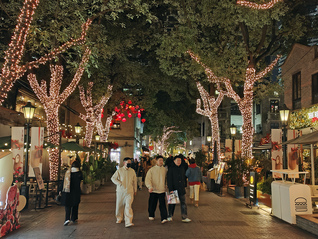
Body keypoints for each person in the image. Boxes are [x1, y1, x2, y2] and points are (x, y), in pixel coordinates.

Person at [111, 157, 137, 228]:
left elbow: (135, 181)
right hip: (120, 191)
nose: (129, 164)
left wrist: (135, 190)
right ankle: (119, 217)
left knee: (128, 206)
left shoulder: (132, 171)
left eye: (130, 162)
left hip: (129, 191)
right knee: (119, 205)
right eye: (127, 162)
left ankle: (128, 221)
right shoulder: (119, 171)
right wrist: (119, 183)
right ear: (124, 163)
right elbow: (113, 178)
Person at [167, 156, 191, 223]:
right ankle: (169, 215)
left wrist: (184, 185)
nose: (178, 162)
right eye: (177, 160)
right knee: (172, 203)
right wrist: (170, 189)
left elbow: (184, 178)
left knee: (183, 203)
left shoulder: (182, 168)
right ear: (174, 161)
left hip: (181, 189)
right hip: (174, 189)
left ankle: (184, 216)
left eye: (180, 160)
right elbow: (169, 179)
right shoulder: (171, 168)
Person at [145, 155, 168, 224]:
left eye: (162, 160)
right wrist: (149, 186)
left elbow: (167, 179)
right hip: (153, 190)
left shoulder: (165, 170)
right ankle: (151, 214)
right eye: (159, 160)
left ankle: (164, 217)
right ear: (156, 161)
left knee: (163, 204)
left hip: (162, 190)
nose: (161, 162)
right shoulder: (152, 170)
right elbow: (148, 179)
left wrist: (166, 185)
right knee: (152, 203)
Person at [60, 160, 83, 226]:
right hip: (76, 192)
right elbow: (81, 180)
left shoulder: (68, 172)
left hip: (68, 192)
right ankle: (74, 217)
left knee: (68, 206)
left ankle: (67, 219)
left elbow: (63, 182)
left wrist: (60, 190)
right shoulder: (79, 173)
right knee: (75, 205)